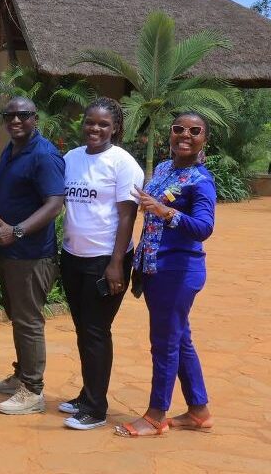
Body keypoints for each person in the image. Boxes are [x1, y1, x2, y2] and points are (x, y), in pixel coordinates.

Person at [116, 112, 217, 437]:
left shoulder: (201, 181)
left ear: (205, 138)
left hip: (177, 271)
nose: (185, 135)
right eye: (178, 129)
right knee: (180, 338)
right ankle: (199, 410)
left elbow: (203, 227)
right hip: (155, 267)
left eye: (194, 130)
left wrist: (165, 211)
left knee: (165, 343)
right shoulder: (162, 169)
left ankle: (156, 414)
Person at [59, 98, 143, 430]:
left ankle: (96, 408)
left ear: (115, 128)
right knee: (84, 329)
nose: (95, 128)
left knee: (96, 331)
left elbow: (127, 216)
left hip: (106, 260)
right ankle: (86, 394)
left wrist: (116, 264)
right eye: (90, 122)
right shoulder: (71, 159)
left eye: (103, 124)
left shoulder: (123, 163)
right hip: (73, 257)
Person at [0, 97, 66, 415]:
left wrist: (17, 231)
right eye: (9, 115)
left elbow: (54, 203)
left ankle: (33, 391)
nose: (15, 120)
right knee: (18, 317)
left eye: (22, 115)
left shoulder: (44, 155)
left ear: (35, 118)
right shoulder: (13, 149)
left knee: (29, 321)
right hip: (12, 253)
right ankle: (22, 374)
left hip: (32, 254)